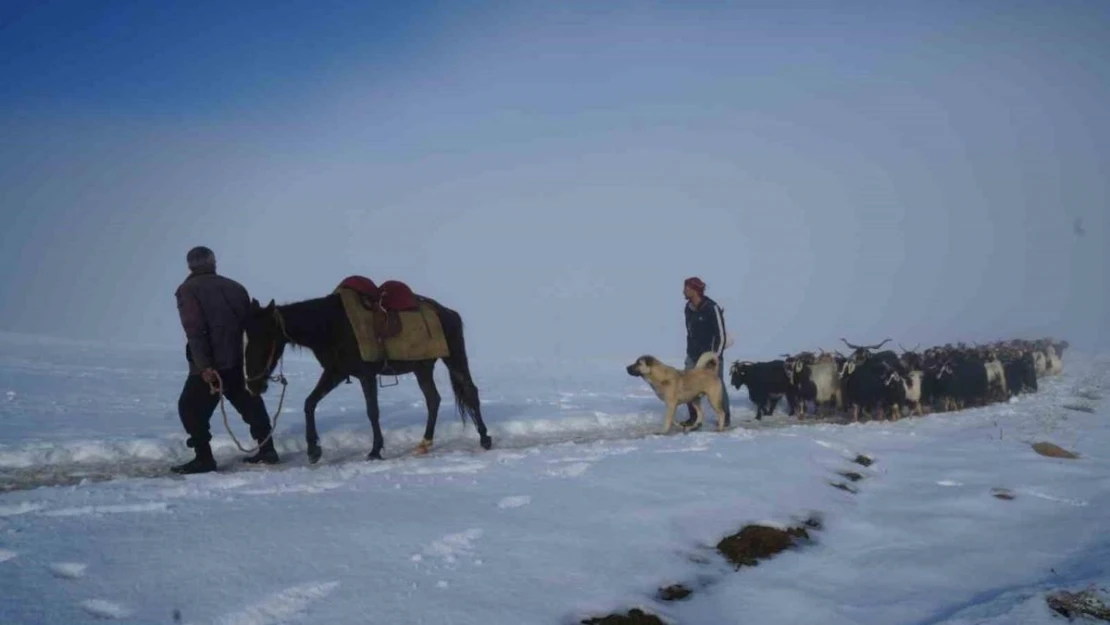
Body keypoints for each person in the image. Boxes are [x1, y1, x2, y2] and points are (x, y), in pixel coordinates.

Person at [171, 246, 279, 474]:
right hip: (238, 362)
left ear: (190, 265)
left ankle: (204, 459)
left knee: (189, 408)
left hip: (212, 366)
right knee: (250, 404)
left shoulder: (188, 290)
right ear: (213, 263)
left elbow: (195, 330)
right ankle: (267, 449)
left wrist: (205, 367)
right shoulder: (236, 287)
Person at [681, 276, 731, 428]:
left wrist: (716, 355)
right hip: (693, 355)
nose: (684, 291)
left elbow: (721, 334)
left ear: (695, 290)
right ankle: (695, 418)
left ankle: (725, 417)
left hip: (710, 356)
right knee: (687, 385)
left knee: (716, 386)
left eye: (686, 288)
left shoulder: (711, 307)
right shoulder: (688, 308)